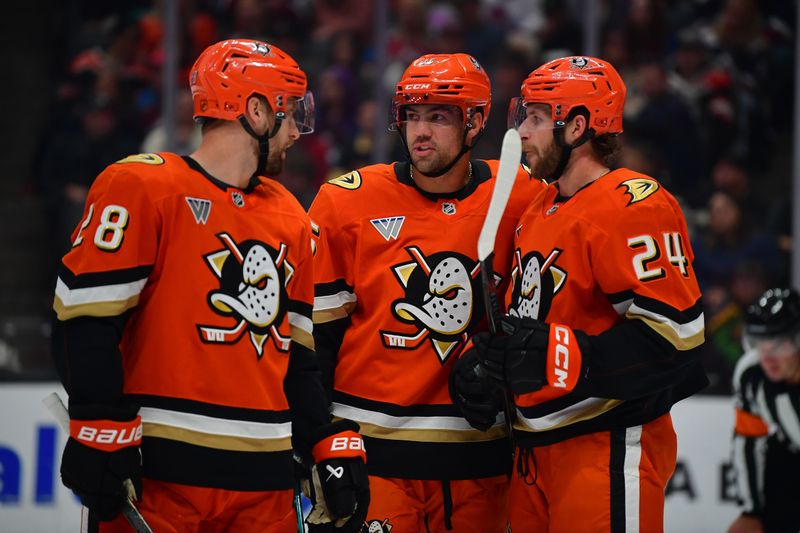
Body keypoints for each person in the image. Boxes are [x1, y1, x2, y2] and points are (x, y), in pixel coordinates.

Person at [51, 39, 369, 533]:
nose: (297, 132)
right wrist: (96, 423)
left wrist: (320, 440)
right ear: (257, 111)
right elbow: (86, 319)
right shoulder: (142, 186)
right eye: (290, 114)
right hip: (161, 481)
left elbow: (299, 358)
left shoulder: (291, 216)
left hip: (266, 487)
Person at [450, 56, 708, 532]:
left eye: (536, 119)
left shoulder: (632, 203)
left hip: (603, 447)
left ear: (578, 126)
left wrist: (569, 357)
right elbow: (536, 330)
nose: (521, 132)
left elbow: (678, 337)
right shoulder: (539, 206)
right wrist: (493, 367)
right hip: (532, 455)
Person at [309, 53, 543, 532]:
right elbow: (314, 345)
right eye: (412, 115)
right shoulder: (345, 201)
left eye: (438, 117)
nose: (420, 131)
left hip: (482, 459)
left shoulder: (521, 192)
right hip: (373, 458)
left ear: (475, 123)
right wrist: (318, 441)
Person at [728, 288, 800, 533]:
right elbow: (748, 440)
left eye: (780, 343)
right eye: (759, 343)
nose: (768, 356)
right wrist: (751, 511)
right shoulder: (751, 374)